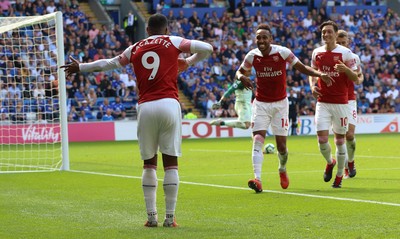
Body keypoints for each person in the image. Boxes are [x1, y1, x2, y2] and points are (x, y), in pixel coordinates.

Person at [61, 13, 213, 227]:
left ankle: (151, 218)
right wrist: (187, 62)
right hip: (169, 104)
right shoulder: (174, 41)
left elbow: (109, 64)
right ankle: (170, 218)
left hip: (146, 106)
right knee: (171, 163)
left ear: (148, 30)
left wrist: (82, 67)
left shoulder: (135, 47)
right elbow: (207, 48)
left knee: (149, 163)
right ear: (166, 29)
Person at [237, 23, 333, 193]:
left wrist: (319, 74)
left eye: (264, 37)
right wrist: (241, 77)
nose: (261, 40)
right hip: (260, 104)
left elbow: (302, 68)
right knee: (258, 139)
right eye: (258, 37)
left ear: (271, 39)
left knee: (281, 147)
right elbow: (239, 72)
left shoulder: (282, 52)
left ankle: (282, 168)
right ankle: (257, 179)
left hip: (280, 105)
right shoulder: (252, 56)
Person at [309, 21, 358, 188]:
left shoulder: (346, 53)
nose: (326, 35)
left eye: (329, 32)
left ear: (335, 34)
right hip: (322, 102)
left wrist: (345, 69)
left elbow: (356, 78)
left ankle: (339, 176)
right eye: (324, 32)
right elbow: (312, 72)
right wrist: (312, 86)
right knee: (322, 139)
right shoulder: (317, 53)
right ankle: (330, 162)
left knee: (339, 140)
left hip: (341, 103)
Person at [336, 29, 364, 179]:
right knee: (340, 136)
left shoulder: (353, 58)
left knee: (350, 135)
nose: (340, 45)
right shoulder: (329, 57)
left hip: (349, 100)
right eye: (338, 43)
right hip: (333, 101)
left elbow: (359, 75)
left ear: (348, 43)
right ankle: (345, 166)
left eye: (343, 43)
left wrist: (359, 79)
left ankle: (351, 161)